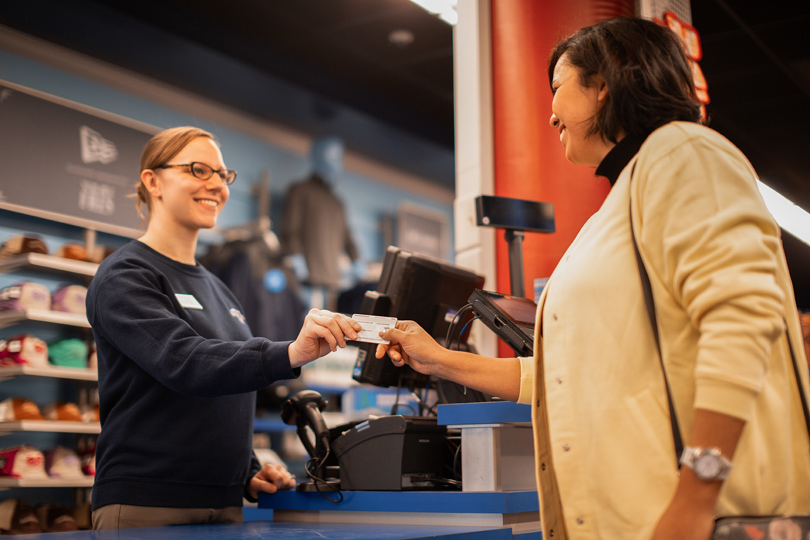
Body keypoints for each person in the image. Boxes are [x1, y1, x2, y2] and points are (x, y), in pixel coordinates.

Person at [376, 17, 810, 540]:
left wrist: (697, 494)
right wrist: (440, 359)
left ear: (603, 86)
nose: (551, 111)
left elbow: (743, 318)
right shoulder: (616, 207)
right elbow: (566, 376)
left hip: (695, 518)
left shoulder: (684, 154)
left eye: (558, 87)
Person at [86, 126, 361, 529]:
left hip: (226, 503)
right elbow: (184, 362)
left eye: (223, 174)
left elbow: (224, 391)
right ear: (152, 181)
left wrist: (247, 470)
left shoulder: (220, 290)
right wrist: (288, 352)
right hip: (149, 503)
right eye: (199, 170)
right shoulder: (126, 275)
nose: (216, 184)